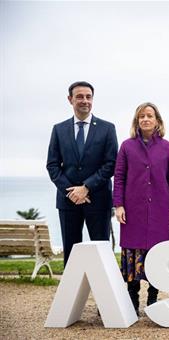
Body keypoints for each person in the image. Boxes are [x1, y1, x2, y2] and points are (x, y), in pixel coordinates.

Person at [113, 102, 169, 316]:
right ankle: (132, 298)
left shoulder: (167, 147)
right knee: (133, 252)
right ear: (137, 121)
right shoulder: (126, 146)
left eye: (149, 115)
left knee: (156, 254)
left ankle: (153, 298)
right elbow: (119, 178)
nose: (145, 119)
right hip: (132, 210)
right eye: (141, 116)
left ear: (157, 120)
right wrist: (119, 205)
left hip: (161, 209)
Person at [46, 81, 118, 266]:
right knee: (71, 252)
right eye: (79, 96)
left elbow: (111, 164)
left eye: (88, 96)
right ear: (70, 100)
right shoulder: (59, 129)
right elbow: (52, 165)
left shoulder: (107, 128)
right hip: (68, 201)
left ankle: (104, 293)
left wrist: (86, 188)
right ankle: (73, 294)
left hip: (98, 199)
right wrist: (72, 191)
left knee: (102, 252)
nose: (84, 100)